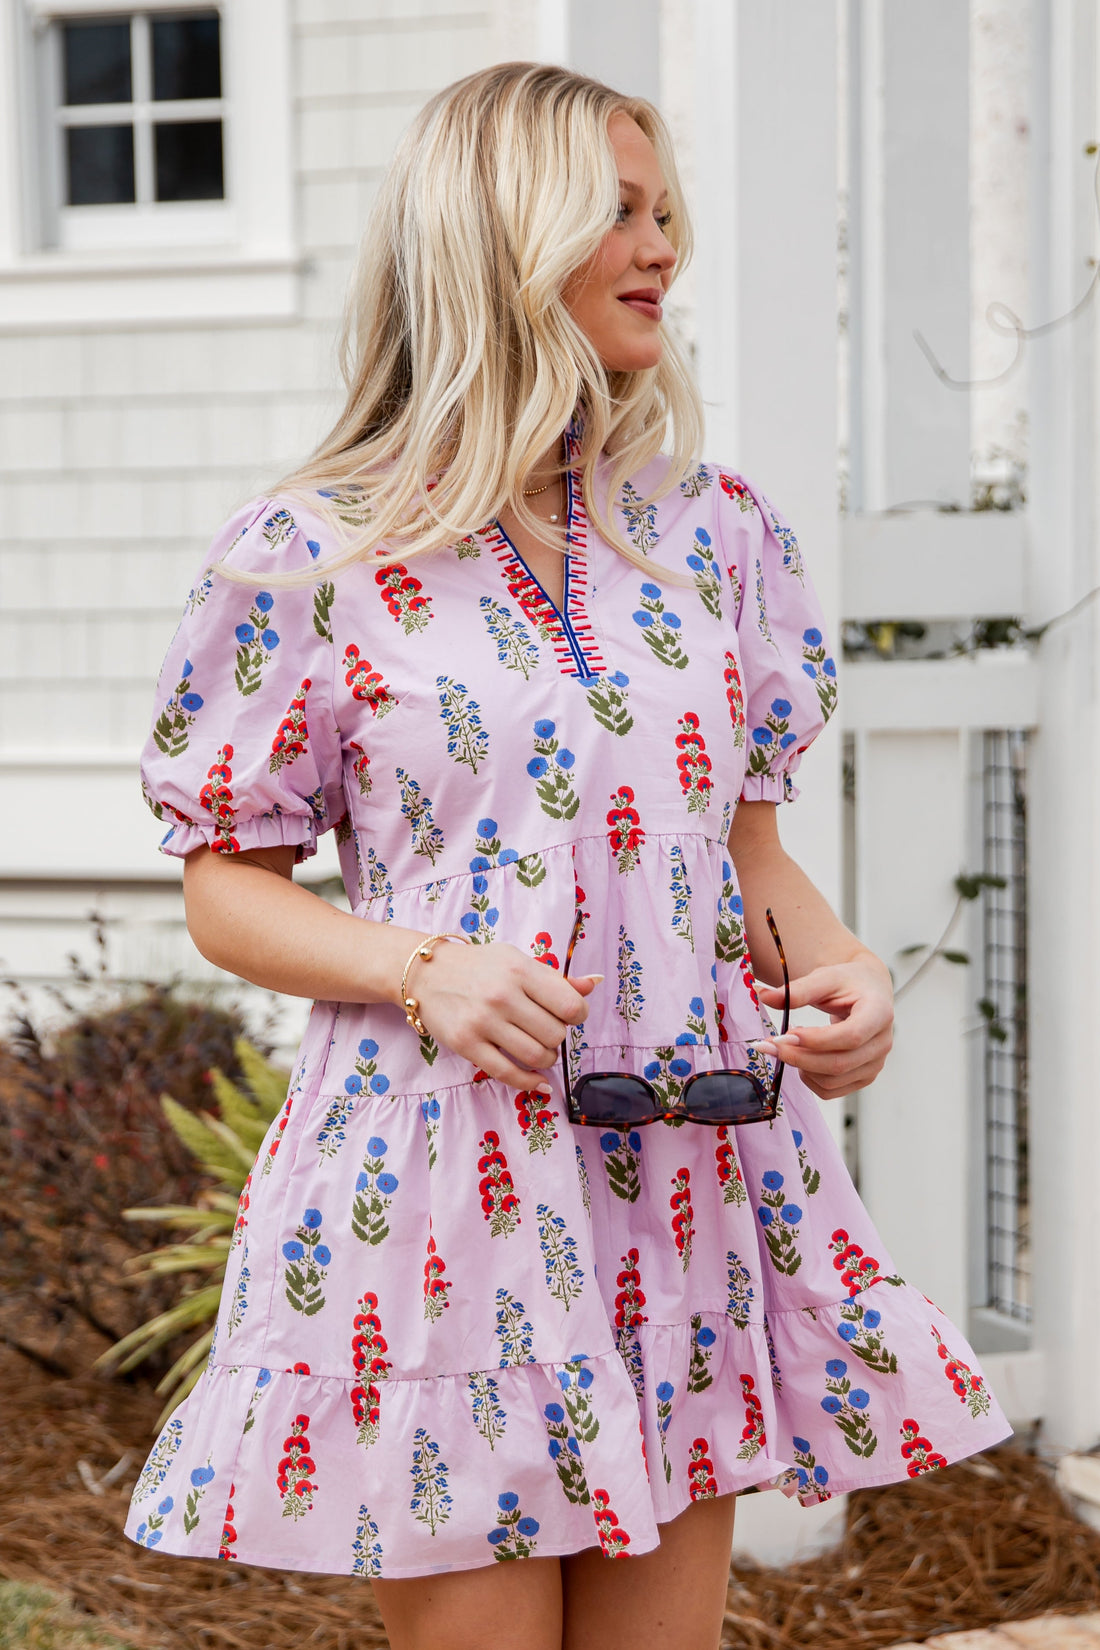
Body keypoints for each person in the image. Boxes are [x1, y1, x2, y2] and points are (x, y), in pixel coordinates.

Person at [125, 61, 1009, 1650]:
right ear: (500, 234)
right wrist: (423, 966)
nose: (662, 244)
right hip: (446, 1185)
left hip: (684, 1173)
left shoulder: (716, 533)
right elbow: (225, 889)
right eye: (619, 209)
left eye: (666, 211)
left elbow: (747, 859)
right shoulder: (311, 554)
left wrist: (845, 972)